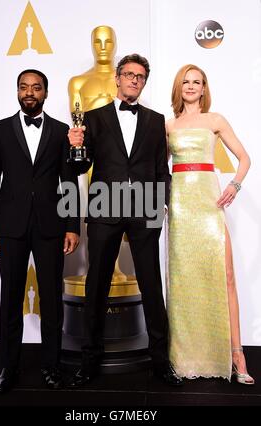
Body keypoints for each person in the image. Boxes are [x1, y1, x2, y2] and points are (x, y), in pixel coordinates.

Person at [67, 53, 183, 387]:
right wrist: (74, 146)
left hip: (145, 211)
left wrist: (160, 206)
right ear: (117, 79)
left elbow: (162, 169)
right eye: (129, 74)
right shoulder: (93, 117)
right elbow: (78, 167)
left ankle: (161, 362)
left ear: (144, 82)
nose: (134, 80)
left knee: (151, 284)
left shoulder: (154, 119)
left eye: (140, 76)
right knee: (97, 284)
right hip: (105, 208)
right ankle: (89, 361)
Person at [0, 69, 80, 393]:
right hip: (9, 226)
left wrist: (72, 226)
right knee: (10, 299)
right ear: (17, 92)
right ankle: (9, 367)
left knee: (52, 300)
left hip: (51, 225)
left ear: (45, 94)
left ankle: (51, 367)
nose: (29, 92)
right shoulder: (0, 130)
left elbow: (70, 183)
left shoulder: (61, 130)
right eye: (24, 87)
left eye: (36, 88)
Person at [166, 64, 254, 384]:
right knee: (183, 282)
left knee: (226, 276)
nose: (191, 86)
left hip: (208, 201)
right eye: (185, 82)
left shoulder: (215, 120)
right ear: (179, 87)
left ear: (204, 88)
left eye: (197, 82)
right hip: (180, 205)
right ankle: (184, 356)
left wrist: (234, 185)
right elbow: (159, 169)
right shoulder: (169, 125)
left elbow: (244, 158)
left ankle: (237, 355)